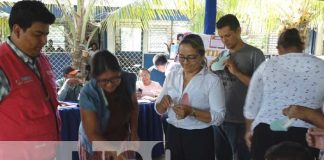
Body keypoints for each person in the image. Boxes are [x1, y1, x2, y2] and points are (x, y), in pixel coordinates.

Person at [244, 28, 324, 160]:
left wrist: (249, 130)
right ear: (302, 45)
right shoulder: (321, 66)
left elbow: (251, 106)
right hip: (307, 134)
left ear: (279, 48)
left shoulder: (267, 66)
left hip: (267, 131)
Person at [0, 1, 59, 159]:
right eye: (38, 34)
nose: (44, 41)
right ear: (17, 30)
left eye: (46, 34)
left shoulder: (43, 60)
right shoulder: (2, 65)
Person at [155, 34, 226, 160]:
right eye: (181, 57)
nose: (185, 62)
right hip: (173, 134)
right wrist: (162, 104)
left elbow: (219, 117)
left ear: (201, 56)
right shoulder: (172, 75)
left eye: (191, 57)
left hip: (198, 138)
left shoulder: (212, 81)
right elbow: (158, 108)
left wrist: (192, 111)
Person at [210, 14, 265, 160]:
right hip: (221, 117)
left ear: (238, 31)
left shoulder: (255, 54)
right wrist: (210, 69)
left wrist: (237, 72)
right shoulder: (223, 54)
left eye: (227, 35)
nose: (224, 40)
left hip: (243, 121)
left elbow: (262, 88)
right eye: (221, 37)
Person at [78, 50, 139, 160]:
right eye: (104, 81)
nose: (110, 84)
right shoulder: (88, 93)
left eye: (115, 79)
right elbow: (92, 134)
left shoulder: (128, 79)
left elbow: (134, 107)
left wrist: (134, 133)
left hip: (121, 138)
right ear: (95, 78)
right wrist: (116, 153)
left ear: (120, 72)